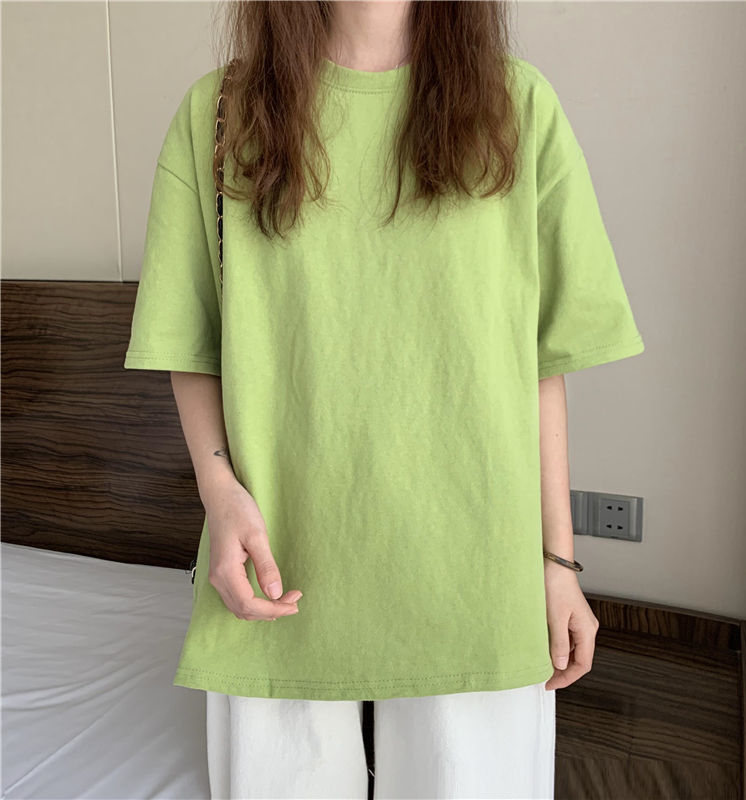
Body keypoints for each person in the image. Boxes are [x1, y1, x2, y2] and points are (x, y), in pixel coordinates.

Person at [124, 1, 645, 797]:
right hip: (279, 562)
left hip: (476, 570)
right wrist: (218, 491)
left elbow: (539, 364)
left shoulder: (516, 105)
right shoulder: (219, 115)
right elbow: (189, 340)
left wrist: (556, 562)